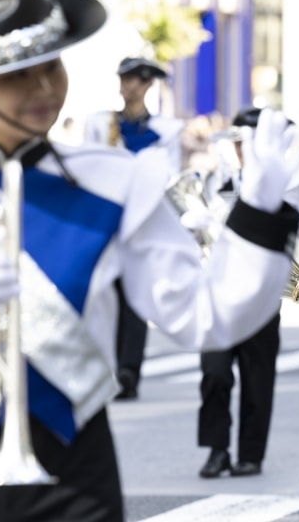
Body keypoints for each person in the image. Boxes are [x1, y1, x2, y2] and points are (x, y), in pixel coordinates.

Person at [0, 0, 299, 522]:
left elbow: (203, 315)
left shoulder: (115, 183)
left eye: (51, 66)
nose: (42, 89)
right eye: (18, 75)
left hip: (76, 464)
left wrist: (262, 209)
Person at [195, 106, 299, 478]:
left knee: (258, 376)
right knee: (214, 374)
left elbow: (295, 223)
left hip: (260, 293)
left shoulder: (285, 181)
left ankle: (250, 454)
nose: (242, 151)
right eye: (239, 144)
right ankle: (216, 449)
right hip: (215, 292)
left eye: (248, 143)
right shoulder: (216, 181)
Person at [81, 56, 184, 400]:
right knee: (104, 295)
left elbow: (170, 177)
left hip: (142, 222)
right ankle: (108, 366)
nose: (126, 87)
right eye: (123, 79)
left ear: (147, 85)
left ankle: (129, 371)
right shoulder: (100, 125)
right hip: (108, 222)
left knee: (136, 298)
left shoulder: (166, 131)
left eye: (133, 81)